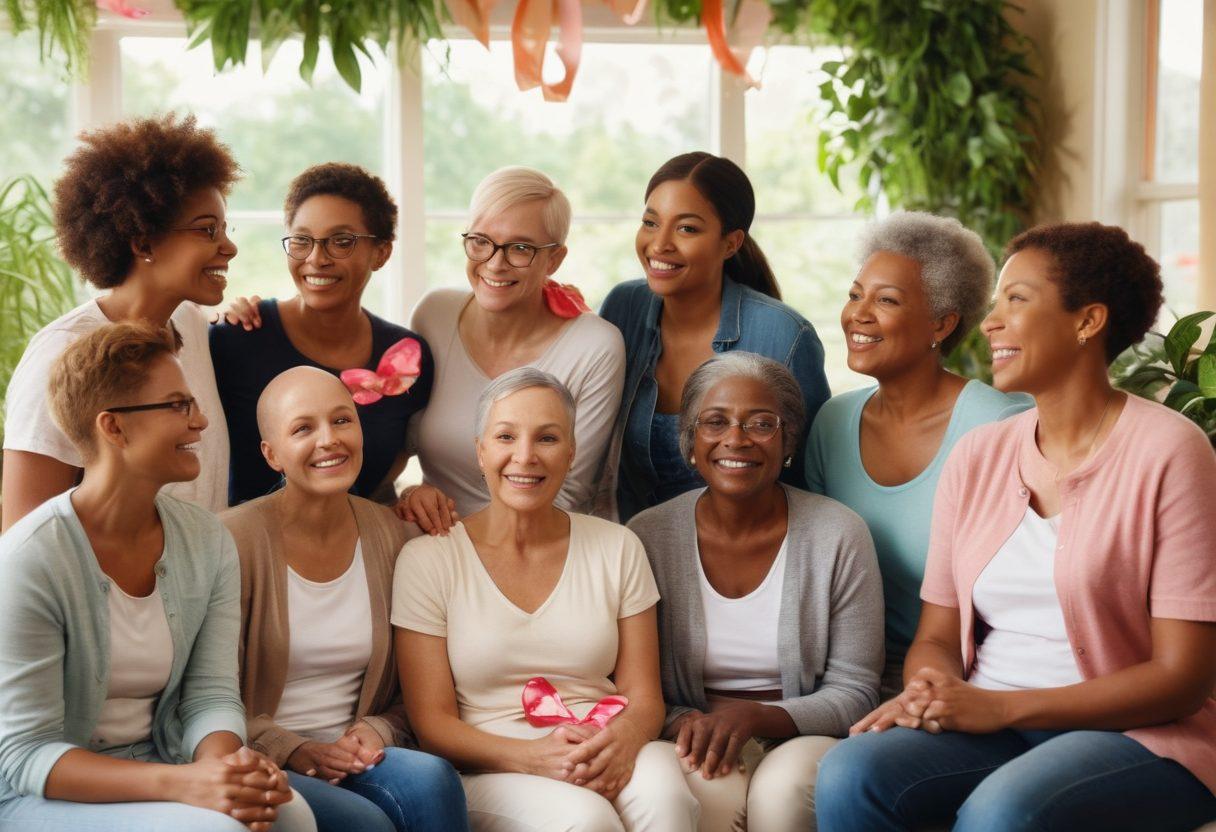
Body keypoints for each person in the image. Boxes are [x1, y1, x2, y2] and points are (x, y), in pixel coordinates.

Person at [816, 223, 1216, 832]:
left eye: (1016, 300)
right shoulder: (979, 454)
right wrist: (932, 688)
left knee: (1003, 812)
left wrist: (1001, 707)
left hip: (1137, 734)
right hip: (993, 718)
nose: (989, 322)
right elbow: (938, 635)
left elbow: (1182, 679)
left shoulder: (1170, 450)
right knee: (852, 772)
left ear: (1088, 322)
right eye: (996, 302)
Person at [0, 322, 313, 831]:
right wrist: (186, 785)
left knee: (288, 815)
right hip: (35, 794)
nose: (201, 421)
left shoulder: (206, 540)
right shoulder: (29, 560)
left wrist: (224, 770)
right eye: (177, 405)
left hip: (157, 762)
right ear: (114, 427)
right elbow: (26, 754)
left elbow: (210, 694)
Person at [392, 368, 698, 830]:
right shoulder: (428, 559)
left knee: (667, 798)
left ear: (571, 453)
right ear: (480, 451)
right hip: (491, 762)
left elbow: (644, 697)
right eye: (506, 436)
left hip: (603, 737)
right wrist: (532, 758)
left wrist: (620, 743)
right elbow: (433, 724)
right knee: (586, 819)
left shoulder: (618, 546)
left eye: (547, 439)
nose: (525, 456)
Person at [628, 352, 883, 832]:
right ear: (690, 440)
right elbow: (636, 686)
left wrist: (755, 717)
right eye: (715, 422)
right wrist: (698, 726)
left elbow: (856, 692)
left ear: (788, 440)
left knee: (781, 794)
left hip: (804, 735)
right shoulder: (647, 536)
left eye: (761, 423)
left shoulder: (838, 534)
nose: (736, 440)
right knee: (704, 796)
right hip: (692, 733)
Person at [221, 366, 468, 832]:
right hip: (261, 754)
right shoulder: (230, 541)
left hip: (361, 754)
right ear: (271, 454)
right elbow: (207, 694)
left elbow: (415, 686)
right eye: (302, 428)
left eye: (341, 420)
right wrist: (292, 748)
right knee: (364, 822)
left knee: (431, 778)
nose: (329, 440)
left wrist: (375, 730)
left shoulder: (394, 536)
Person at [804, 212, 1029, 695]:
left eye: (886, 300)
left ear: (942, 324)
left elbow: (1017, 600)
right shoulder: (831, 423)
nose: (858, 314)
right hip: (847, 675)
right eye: (855, 294)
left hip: (966, 680)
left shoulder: (997, 429)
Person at [2, 114, 237, 528]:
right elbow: (24, 533)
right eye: (207, 230)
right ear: (143, 241)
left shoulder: (191, 326)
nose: (229, 247)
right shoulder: (61, 354)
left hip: (199, 585)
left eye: (224, 228)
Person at [599, 151, 830, 523]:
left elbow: (810, 478)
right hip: (635, 551)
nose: (659, 245)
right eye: (650, 222)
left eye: (686, 228)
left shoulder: (784, 335)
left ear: (731, 243)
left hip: (750, 552)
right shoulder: (622, 308)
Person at [399, 166, 625, 533]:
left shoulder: (595, 346)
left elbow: (567, 496)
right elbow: (402, 440)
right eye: (480, 241)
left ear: (554, 260)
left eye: (521, 248)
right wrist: (412, 496)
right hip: (432, 545)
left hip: (539, 555)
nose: (495, 262)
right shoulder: (433, 314)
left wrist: (467, 546)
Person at [210, 163, 434, 506]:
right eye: (302, 241)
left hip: (358, 546)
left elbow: (398, 457)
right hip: (247, 551)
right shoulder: (237, 338)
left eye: (340, 242)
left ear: (382, 252)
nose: (316, 259)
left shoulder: (407, 355)